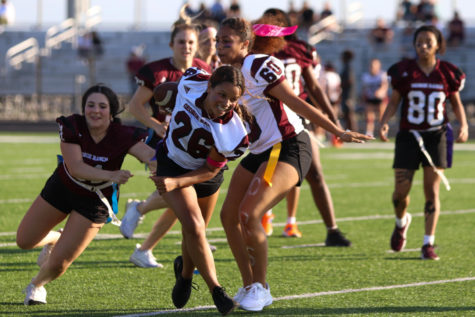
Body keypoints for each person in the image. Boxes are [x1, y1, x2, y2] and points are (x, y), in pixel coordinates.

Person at [216, 16, 372, 311]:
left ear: (245, 43)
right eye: (218, 41)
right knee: (228, 216)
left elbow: (296, 102)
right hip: (261, 151)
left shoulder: (258, 65)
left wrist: (336, 129)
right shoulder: (225, 73)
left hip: (288, 146)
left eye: (227, 41)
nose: (220, 46)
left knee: (249, 214)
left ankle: (261, 288)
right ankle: (250, 284)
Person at [16, 84, 156, 305]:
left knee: (60, 263)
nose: (96, 111)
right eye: (90, 105)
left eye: (102, 106)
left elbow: (150, 156)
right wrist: (113, 174)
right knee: (24, 241)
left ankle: (36, 285)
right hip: (64, 187)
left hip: (95, 200)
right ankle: (56, 238)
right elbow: (76, 167)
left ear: (112, 113)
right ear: (84, 108)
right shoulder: (73, 125)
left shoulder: (122, 134)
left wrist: (160, 165)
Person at [150, 65, 252, 315]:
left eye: (233, 99)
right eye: (221, 94)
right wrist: (164, 96)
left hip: (205, 174)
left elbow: (210, 170)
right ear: (209, 87)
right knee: (195, 226)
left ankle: (184, 274)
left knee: (195, 232)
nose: (226, 103)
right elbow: (163, 91)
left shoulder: (234, 133)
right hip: (172, 163)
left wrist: (176, 184)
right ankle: (217, 290)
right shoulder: (192, 81)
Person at [121, 16, 212, 268]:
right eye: (181, 41)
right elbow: (135, 106)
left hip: (193, 145)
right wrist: (156, 125)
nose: (187, 46)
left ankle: (142, 223)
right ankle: (145, 225)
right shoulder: (158, 71)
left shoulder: (205, 71)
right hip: (163, 144)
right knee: (180, 193)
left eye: (191, 42)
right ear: (172, 44)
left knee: (182, 197)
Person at [379, 25, 469, 261]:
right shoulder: (404, 71)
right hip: (409, 136)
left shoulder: (448, 72)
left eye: (429, 41)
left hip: (436, 136)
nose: (423, 46)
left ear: (438, 44)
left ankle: (428, 243)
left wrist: (464, 125)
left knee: (432, 191)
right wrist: (384, 122)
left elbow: (456, 103)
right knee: (400, 192)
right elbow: (394, 101)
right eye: (419, 42)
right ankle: (401, 221)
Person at [261, 8, 350, 241]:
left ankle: (332, 229)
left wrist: (331, 116)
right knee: (263, 172)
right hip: (268, 119)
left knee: (314, 174)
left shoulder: (300, 49)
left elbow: (313, 86)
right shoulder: (258, 49)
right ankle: (261, 217)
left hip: (296, 118)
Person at [361, 58, 389, 137]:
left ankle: (383, 132)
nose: (373, 67)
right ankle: (369, 133)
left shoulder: (382, 75)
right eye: (371, 66)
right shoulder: (366, 76)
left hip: (380, 98)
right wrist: (363, 98)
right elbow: (364, 89)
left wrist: (380, 91)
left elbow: (385, 86)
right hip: (370, 98)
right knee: (369, 117)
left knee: (382, 117)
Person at [340, 50, 357, 131]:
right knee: (347, 114)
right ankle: (349, 131)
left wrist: (340, 84)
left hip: (348, 95)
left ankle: (353, 131)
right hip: (347, 95)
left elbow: (350, 80)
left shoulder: (348, 67)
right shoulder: (347, 66)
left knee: (349, 114)